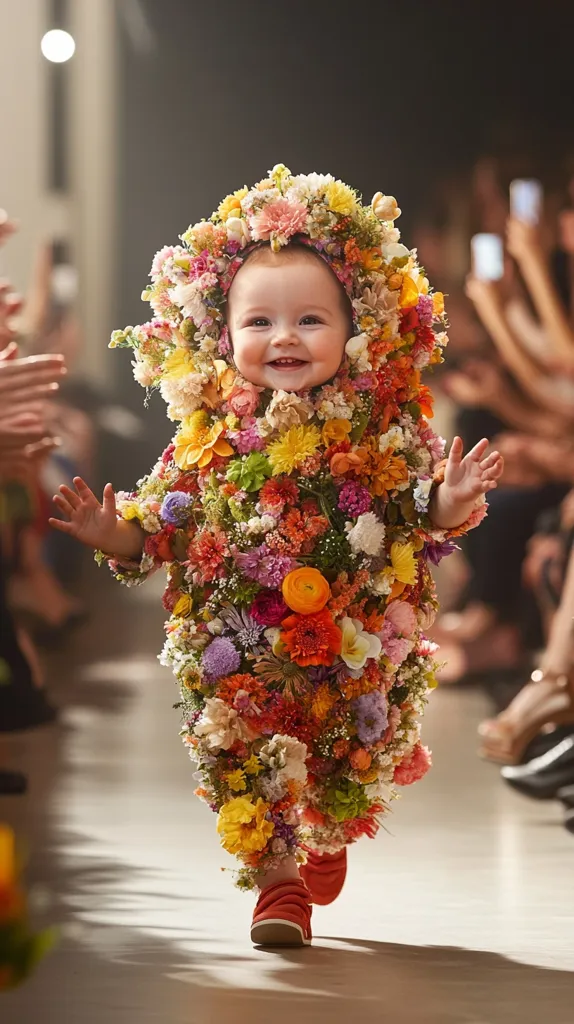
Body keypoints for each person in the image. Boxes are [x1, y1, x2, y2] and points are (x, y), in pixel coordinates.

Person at [49, 165, 502, 947]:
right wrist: (110, 533)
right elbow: (159, 527)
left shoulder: (377, 428)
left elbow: (414, 508)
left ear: (355, 328)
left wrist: (451, 499)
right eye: (260, 322)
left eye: (310, 321)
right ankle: (277, 884)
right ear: (222, 335)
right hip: (236, 649)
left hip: (355, 645)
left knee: (342, 762)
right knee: (243, 757)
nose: (284, 338)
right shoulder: (208, 437)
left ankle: (323, 832)